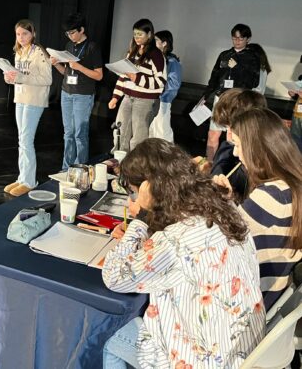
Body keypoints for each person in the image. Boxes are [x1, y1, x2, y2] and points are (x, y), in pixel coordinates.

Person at [102, 139, 265, 369]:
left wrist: (141, 220)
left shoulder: (174, 240)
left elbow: (114, 276)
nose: (134, 200)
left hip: (200, 360)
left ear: (151, 189)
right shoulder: (223, 207)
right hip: (245, 351)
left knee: (108, 334)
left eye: (135, 193)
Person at [214, 108, 302, 310]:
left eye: (238, 145)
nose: (235, 153)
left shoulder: (271, 196)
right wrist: (228, 201)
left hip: (247, 304)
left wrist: (215, 202)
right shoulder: (289, 188)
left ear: (257, 148)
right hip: (270, 299)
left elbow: (217, 244)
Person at [3, 20, 52, 196]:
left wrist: (21, 78)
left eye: (25, 33)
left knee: (26, 140)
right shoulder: (19, 52)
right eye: (18, 34)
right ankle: (22, 177)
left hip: (34, 100)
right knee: (21, 140)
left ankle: (30, 181)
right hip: (21, 98)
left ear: (33, 34)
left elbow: (47, 79)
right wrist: (10, 78)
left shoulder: (39, 52)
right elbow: (19, 76)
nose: (21, 37)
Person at [50, 13, 103, 170]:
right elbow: (66, 72)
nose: (70, 36)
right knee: (68, 133)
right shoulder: (69, 46)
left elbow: (99, 75)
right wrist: (56, 64)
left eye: (72, 32)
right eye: (67, 33)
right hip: (66, 92)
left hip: (83, 95)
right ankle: (66, 168)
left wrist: (79, 67)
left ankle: (81, 168)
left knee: (80, 134)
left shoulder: (92, 47)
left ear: (82, 30)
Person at [204, 23, 260, 160]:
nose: (237, 41)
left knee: (232, 135)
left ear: (248, 39)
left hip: (238, 100)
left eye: (241, 38)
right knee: (213, 133)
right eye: (234, 38)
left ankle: (228, 165)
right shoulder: (224, 55)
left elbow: (254, 82)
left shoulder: (252, 58)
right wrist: (206, 95)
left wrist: (238, 67)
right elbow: (214, 77)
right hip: (221, 97)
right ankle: (209, 163)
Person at [199, 88, 267, 200]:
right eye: (226, 128)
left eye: (232, 127)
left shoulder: (255, 164)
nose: (229, 135)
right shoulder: (228, 148)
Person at [109, 19, 165, 152]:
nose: (137, 37)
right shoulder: (132, 52)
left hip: (144, 100)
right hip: (127, 97)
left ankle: (137, 163)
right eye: (135, 34)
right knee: (121, 131)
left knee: (138, 136)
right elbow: (123, 77)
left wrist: (136, 78)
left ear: (149, 34)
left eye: (140, 34)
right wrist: (115, 97)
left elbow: (160, 82)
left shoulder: (156, 55)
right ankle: (120, 160)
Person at [148, 30, 181, 143]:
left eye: (156, 40)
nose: (153, 42)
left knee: (162, 131)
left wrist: (162, 95)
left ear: (164, 43)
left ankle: (166, 154)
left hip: (162, 101)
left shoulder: (172, 61)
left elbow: (174, 84)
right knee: (151, 130)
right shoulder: (154, 58)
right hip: (150, 99)